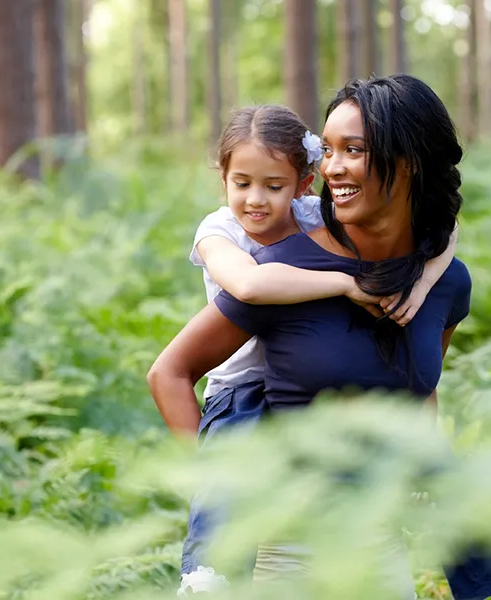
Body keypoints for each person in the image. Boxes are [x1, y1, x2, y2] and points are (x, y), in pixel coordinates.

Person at [149, 75, 491, 600]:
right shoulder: (278, 269)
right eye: (331, 149)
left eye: (353, 150)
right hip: (287, 557)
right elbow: (170, 372)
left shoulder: (446, 282)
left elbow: (418, 394)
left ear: (407, 162)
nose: (335, 168)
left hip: (381, 555)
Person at [162, 103, 459, 595]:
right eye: (241, 183)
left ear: (303, 184)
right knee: (225, 492)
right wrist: (342, 285)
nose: (256, 200)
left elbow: (442, 230)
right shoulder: (220, 232)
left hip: (300, 395)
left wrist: (425, 281)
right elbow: (251, 286)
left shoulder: (311, 217)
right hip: (239, 387)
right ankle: (204, 577)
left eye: (273, 186)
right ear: (224, 180)